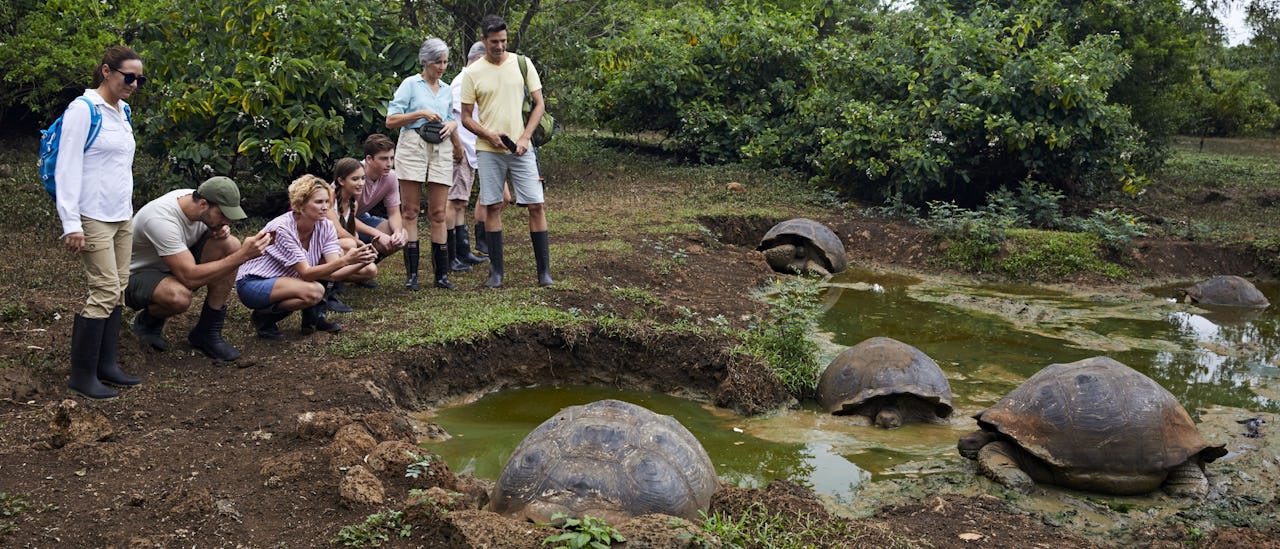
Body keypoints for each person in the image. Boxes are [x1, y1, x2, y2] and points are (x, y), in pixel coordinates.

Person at [55, 45, 144, 400]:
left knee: (119, 287)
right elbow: (67, 165)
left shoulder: (123, 111)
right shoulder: (83, 109)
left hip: (122, 213)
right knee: (104, 289)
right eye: (129, 76)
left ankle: (107, 365)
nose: (135, 84)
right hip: (91, 215)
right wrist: (70, 222)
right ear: (107, 71)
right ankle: (82, 375)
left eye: (140, 78)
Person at [127, 176, 271, 361]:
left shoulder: (196, 203)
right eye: (223, 215)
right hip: (134, 276)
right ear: (203, 204)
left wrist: (216, 231)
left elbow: (203, 238)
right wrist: (243, 256)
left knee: (230, 245)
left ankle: (207, 331)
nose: (227, 221)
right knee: (178, 296)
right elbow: (189, 278)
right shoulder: (160, 219)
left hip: (170, 265)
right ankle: (148, 322)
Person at [461, 15, 554, 288]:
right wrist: (488, 134)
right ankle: (497, 272)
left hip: (521, 148)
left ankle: (543, 272)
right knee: (492, 206)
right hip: (488, 149)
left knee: (536, 204)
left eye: (503, 41)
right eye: (494, 42)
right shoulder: (472, 73)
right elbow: (466, 116)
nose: (499, 46)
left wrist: (525, 136)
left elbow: (539, 104)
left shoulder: (522, 64)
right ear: (483, 41)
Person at [235, 175, 378, 339]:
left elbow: (334, 273)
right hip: (253, 282)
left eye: (327, 202)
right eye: (318, 202)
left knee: (320, 282)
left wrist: (362, 260)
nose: (325, 207)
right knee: (314, 291)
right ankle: (264, 317)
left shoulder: (326, 226)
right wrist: (346, 259)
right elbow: (306, 273)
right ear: (301, 205)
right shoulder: (282, 228)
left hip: (284, 279)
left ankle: (313, 318)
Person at [386, 37, 461, 290]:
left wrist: (452, 125)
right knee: (410, 210)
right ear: (425, 62)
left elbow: (451, 118)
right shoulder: (410, 84)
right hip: (413, 144)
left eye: (445, 62)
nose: (442, 67)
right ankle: (413, 274)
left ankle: (441, 274)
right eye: (438, 62)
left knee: (439, 212)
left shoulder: (448, 89)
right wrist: (420, 113)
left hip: (440, 147)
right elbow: (391, 119)